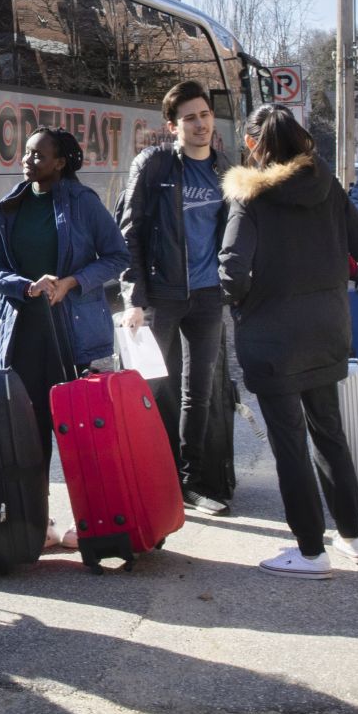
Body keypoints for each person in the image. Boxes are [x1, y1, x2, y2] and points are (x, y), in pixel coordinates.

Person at [219, 104, 358, 578]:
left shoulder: (249, 198)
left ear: (255, 144)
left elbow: (232, 269)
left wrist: (243, 303)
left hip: (273, 336)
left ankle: (310, 551)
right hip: (328, 328)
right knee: (329, 434)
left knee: (289, 444)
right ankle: (353, 537)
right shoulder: (329, 186)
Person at [0, 128, 129, 550]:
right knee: (28, 431)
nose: (27, 161)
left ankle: (95, 523)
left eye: (38, 154)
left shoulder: (83, 204)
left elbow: (116, 256)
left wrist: (72, 281)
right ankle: (38, 522)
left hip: (73, 332)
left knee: (80, 432)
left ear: (61, 161)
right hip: (21, 333)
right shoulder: (8, 206)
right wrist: (26, 286)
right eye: (25, 153)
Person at [119, 80, 235, 514]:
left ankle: (190, 481)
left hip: (207, 297)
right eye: (190, 118)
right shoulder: (153, 166)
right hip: (161, 297)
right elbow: (129, 232)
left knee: (198, 393)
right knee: (147, 389)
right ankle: (150, 477)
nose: (201, 124)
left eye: (204, 115)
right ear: (172, 126)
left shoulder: (225, 169)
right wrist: (134, 298)